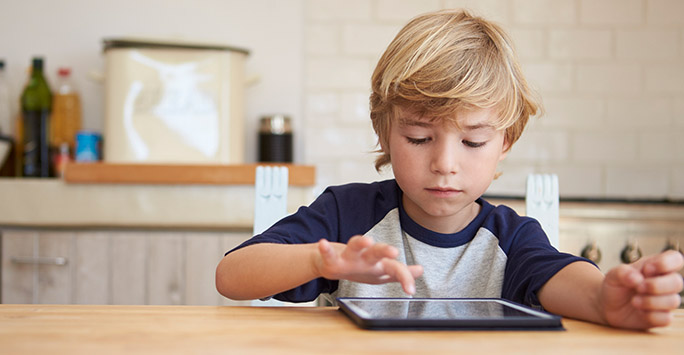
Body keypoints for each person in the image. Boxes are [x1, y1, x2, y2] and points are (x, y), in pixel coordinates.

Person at [216, 9, 683, 330]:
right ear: (383, 132)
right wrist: (321, 259)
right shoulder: (349, 214)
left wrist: (607, 300)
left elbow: (566, 282)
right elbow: (232, 276)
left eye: (473, 141)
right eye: (419, 138)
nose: (443, 163)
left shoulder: (512, 239)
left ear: (505, 143)